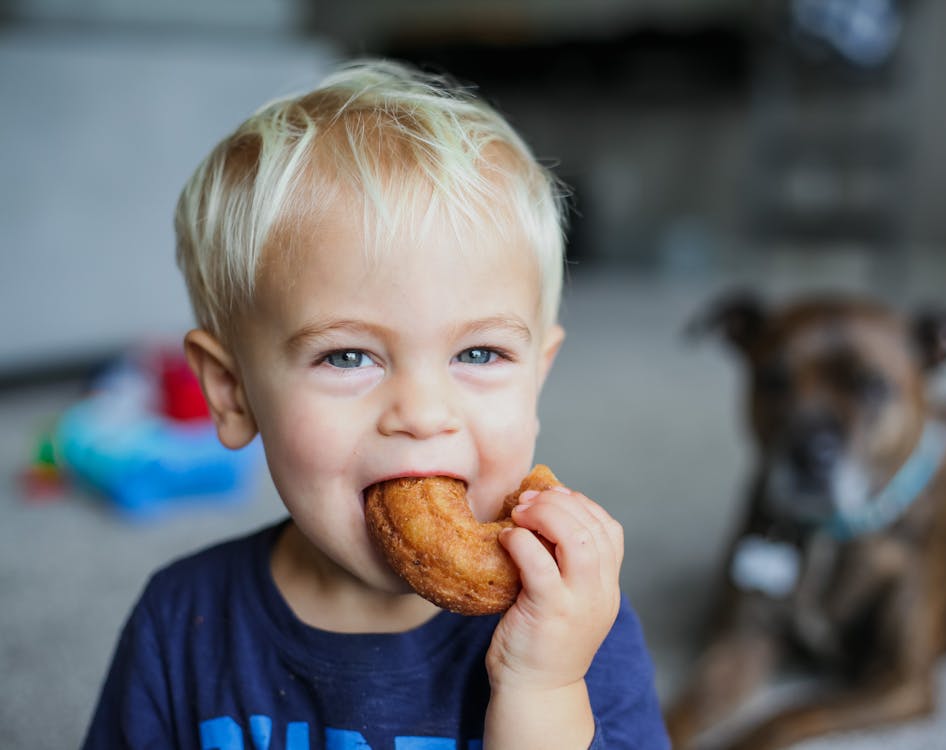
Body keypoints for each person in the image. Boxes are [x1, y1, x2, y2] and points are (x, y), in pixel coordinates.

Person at [81, 59, 670, 749]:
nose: (422, 413)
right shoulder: (180, 623)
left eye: (479, 354)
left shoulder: (571, 620)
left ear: (536, 379)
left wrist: (542, 688)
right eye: (347, 356)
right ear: (232, 391)